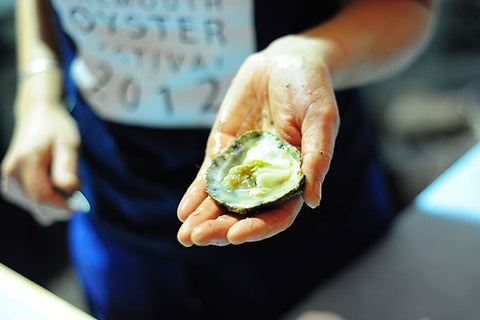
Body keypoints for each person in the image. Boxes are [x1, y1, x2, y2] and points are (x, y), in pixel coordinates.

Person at [1, 0, 435, 319]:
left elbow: (408, 7)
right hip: (116, 217)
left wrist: (314, 53)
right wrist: (38, 89)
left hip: (317, 232)